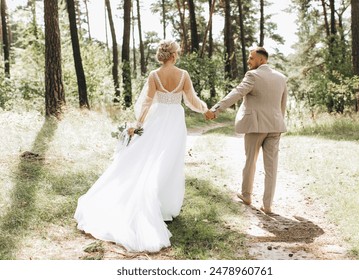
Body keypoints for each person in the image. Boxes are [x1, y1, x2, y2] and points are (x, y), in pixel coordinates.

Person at [74, 40, 208, 252]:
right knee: (169, 162)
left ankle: (156, 203)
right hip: (174, 121)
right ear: (174, 55)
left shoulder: (155, 75)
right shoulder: (183, 75)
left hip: (157, 119)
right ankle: (162, 207)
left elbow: (146, 103)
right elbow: (191, 100)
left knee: (150, 157)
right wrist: (205, 109)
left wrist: (138, 125)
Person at [205, 46, 288, 214]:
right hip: (275, 126)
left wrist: (216, 109)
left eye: (251, 58)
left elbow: (236, 93)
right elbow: (282, 105)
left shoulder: (253, 75)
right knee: (271, 167)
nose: (248, 61)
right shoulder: (281, 78)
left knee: (251, 161)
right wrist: (279, 121)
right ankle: (268, 205)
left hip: (256, 126)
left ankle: (247, 195)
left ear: (262, 60)